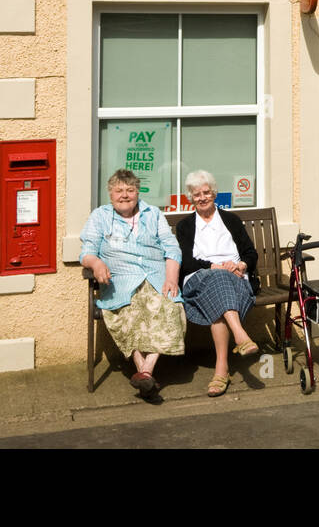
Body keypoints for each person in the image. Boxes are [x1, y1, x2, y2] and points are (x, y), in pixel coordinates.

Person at [80, 169, 185, 399]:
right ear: (110, 194)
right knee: (129, 312)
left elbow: (171, 248)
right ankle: (146, 372)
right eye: (119, 190)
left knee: (169, 307)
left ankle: (144, 372)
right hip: (121, 282)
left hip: (156, 278)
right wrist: (97, 264)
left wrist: (171, 278)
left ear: (137, 192)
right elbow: (87, 252)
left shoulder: (153, 213)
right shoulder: (100, 216)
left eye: (130, 190)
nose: (125, 195)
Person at [175, 169, 260, 396]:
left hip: (234, 279)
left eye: (206, 192)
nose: (202, 197)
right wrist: (213, 267)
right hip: (199, 280)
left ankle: (221, 370)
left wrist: (240, 266)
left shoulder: (230, 220)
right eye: (196, 194)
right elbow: (186, 262)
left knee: (219, 296)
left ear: (214, 194)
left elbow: (250, 253)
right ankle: (240, 334)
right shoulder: (185, 226)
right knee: (217, 277)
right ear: (190, 198)